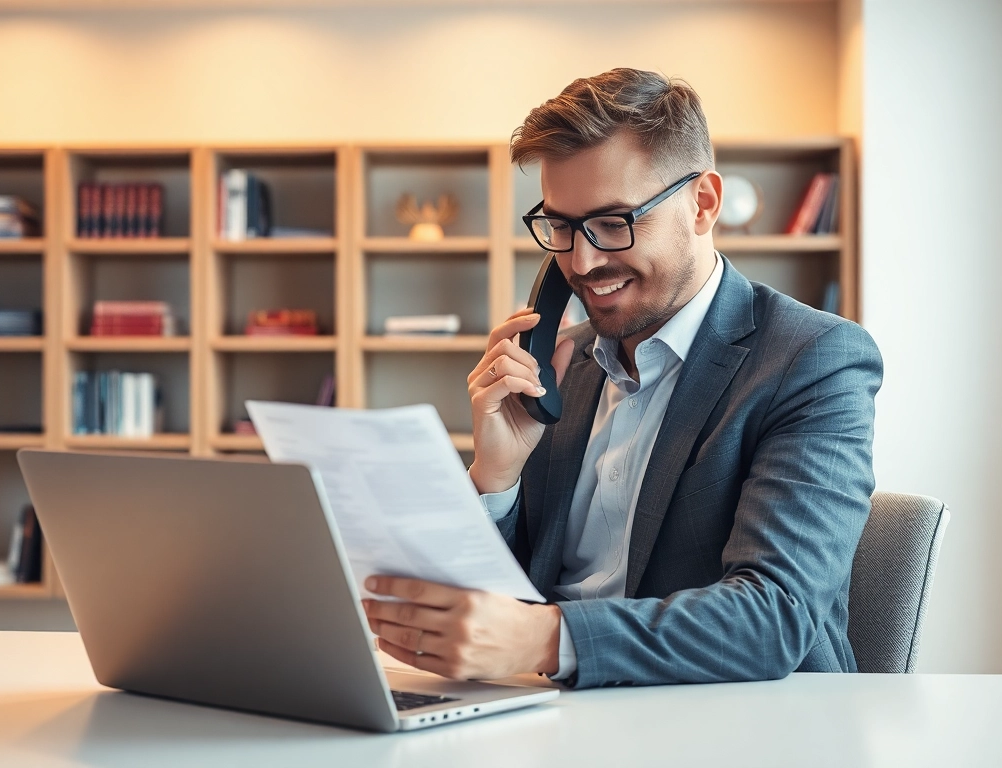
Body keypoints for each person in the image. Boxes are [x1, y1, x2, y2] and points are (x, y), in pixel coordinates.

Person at [361, 68, 883, 688]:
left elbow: (774, 616)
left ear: (703, 203)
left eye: (614, 223)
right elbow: (486, 617)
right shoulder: (561, 366)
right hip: (551, 710)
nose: (582, 262)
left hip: (736, 718)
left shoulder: (813, 360)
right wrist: (496, 477)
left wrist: (545, 638)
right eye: (561, 226)